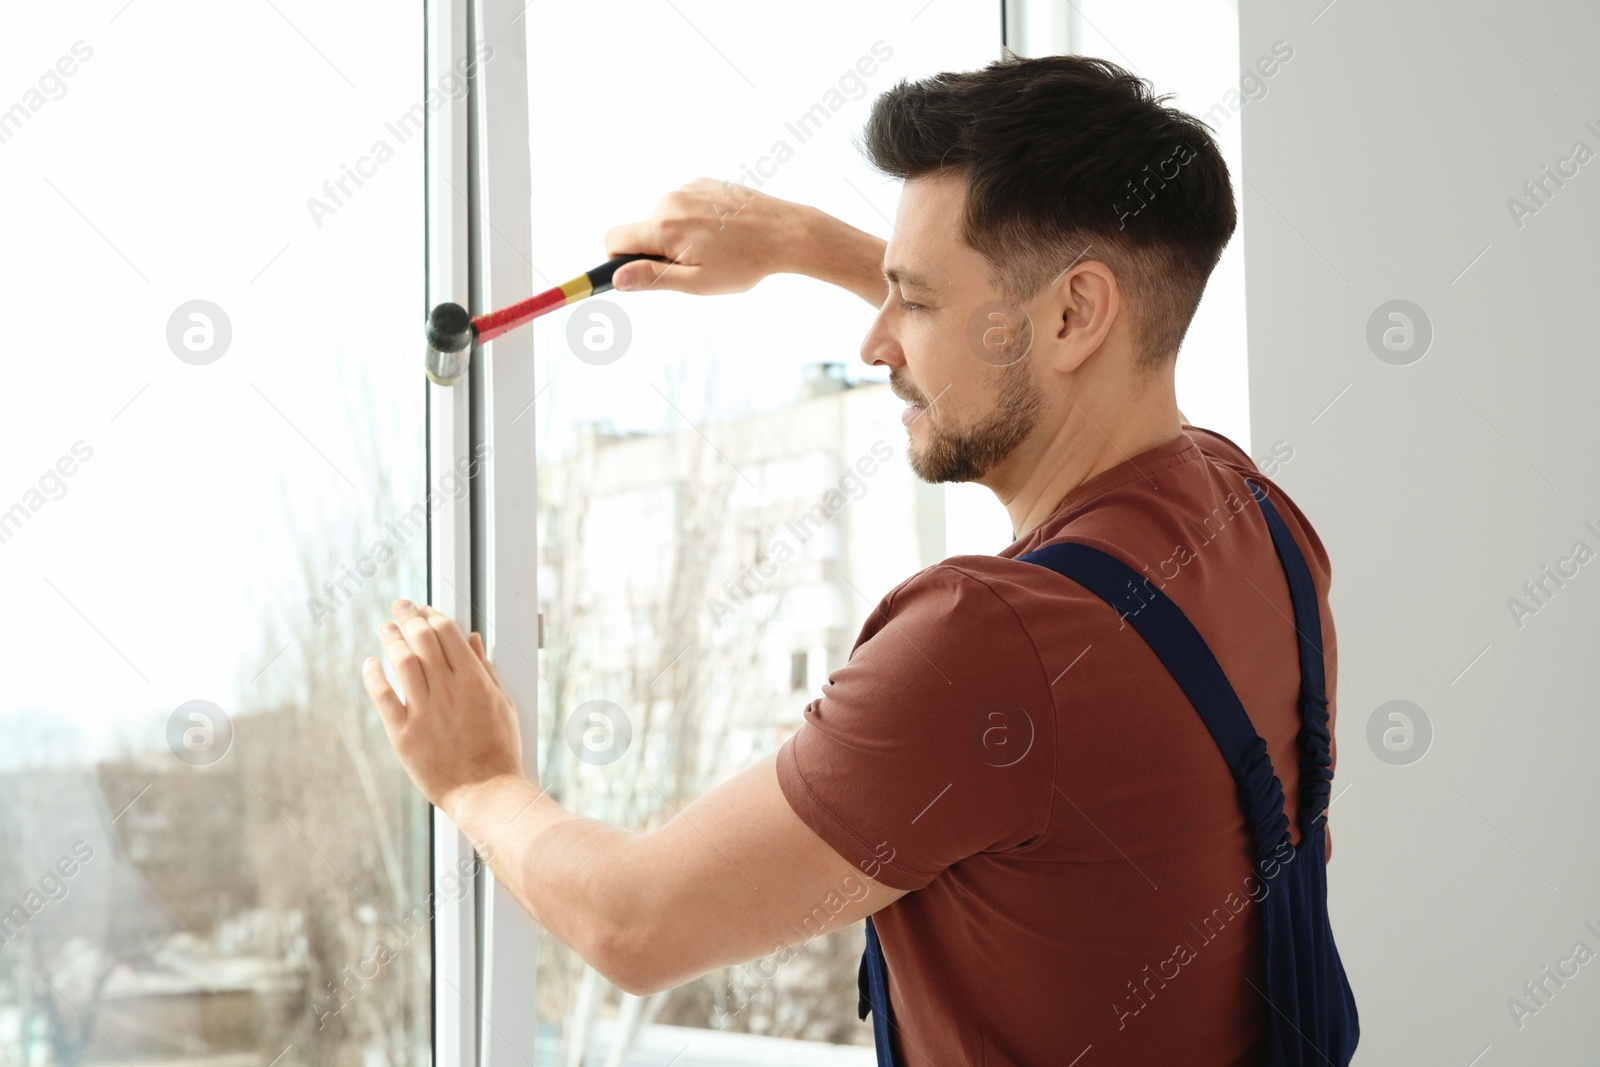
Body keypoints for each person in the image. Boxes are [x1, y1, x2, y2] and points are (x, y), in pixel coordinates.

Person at [363, 51, 1357, 1066]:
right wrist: (800, 243)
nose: (877, 344)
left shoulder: (992, 646)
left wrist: (479, 778)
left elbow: (635, 922)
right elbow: (1024, 328)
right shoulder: (1262, 523)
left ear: (1070, 315)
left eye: (913, 302)